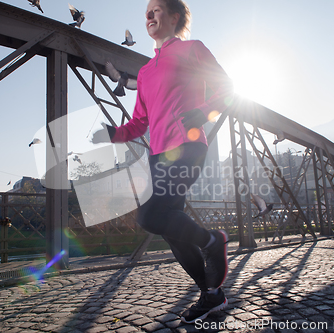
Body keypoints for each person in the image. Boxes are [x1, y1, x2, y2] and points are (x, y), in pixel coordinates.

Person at [92, 0, 234, 324]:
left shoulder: (192, 50)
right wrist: (112, 134)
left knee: (149, 214)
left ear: (174, 16)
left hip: (188, 145)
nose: (148, 15)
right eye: (146, 11)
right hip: (159, 156)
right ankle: (212, 295)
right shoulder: (144, 72)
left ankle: (213, 241)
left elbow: (227, 89)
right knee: (172, 230)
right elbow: (139, 122)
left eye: (156, 9)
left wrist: (204, 112)